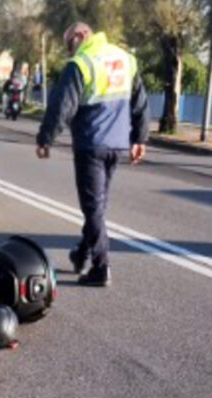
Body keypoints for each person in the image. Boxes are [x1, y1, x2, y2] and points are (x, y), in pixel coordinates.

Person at [35, 22, 150, 287]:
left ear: (80, 35)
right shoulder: (125, 59)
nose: (68, 51)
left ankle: (101, 267)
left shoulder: (82, 63)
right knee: (97, 206)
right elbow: (140, 102)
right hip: (117, 145)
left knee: (94, 208)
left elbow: (62, 104)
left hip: (91, 145)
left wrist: (45, 138)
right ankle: (82, 253)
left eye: (68, 44)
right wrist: (139, 138)